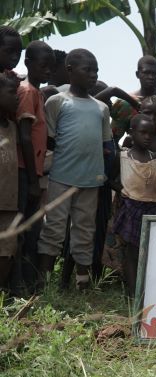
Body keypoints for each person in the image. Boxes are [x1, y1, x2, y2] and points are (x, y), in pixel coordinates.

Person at [37, 49, 113, 291]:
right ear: (70, 70)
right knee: (54, 228)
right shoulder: (57, 102)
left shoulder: (101, 108)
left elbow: (106, 145)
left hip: (90, 180)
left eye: (96, 71)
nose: (93, 75)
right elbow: (49, 140)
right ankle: (45, 283)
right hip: (61, 177)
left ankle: (82, 283)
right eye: (87, 70)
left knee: (85, 230)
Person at [111, 114, 156, 297]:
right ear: (131, 132)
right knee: (132, 253)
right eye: (143, 132)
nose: (147, 137)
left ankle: (150, 292)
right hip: (132, 208)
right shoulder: (122, 158)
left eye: (151, 133)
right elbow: (109, 179)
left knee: (154, 251)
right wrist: (123, 191)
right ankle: (133, 294)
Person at [15, 40, 55, 293]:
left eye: (51, 66)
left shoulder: (38, 93)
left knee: (31, 231)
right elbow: (25, 137)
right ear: (28, 63)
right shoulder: (28, 92)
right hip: (23, 171)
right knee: (22, 230)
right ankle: (17, 284)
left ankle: (27, 283)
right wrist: (32, 180)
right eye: (43, 65)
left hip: (32, 171)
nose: (48, 70)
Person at [110, 55, 156, 141]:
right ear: (137, 74)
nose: (151, 77)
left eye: (154, 74)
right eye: (146, 73)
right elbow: (113, 138)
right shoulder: (125, 103)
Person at [0, 73, 19, 294]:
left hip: (9, 200)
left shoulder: (12, 128)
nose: (17, 97)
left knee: (7, 250)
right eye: (12, 92)